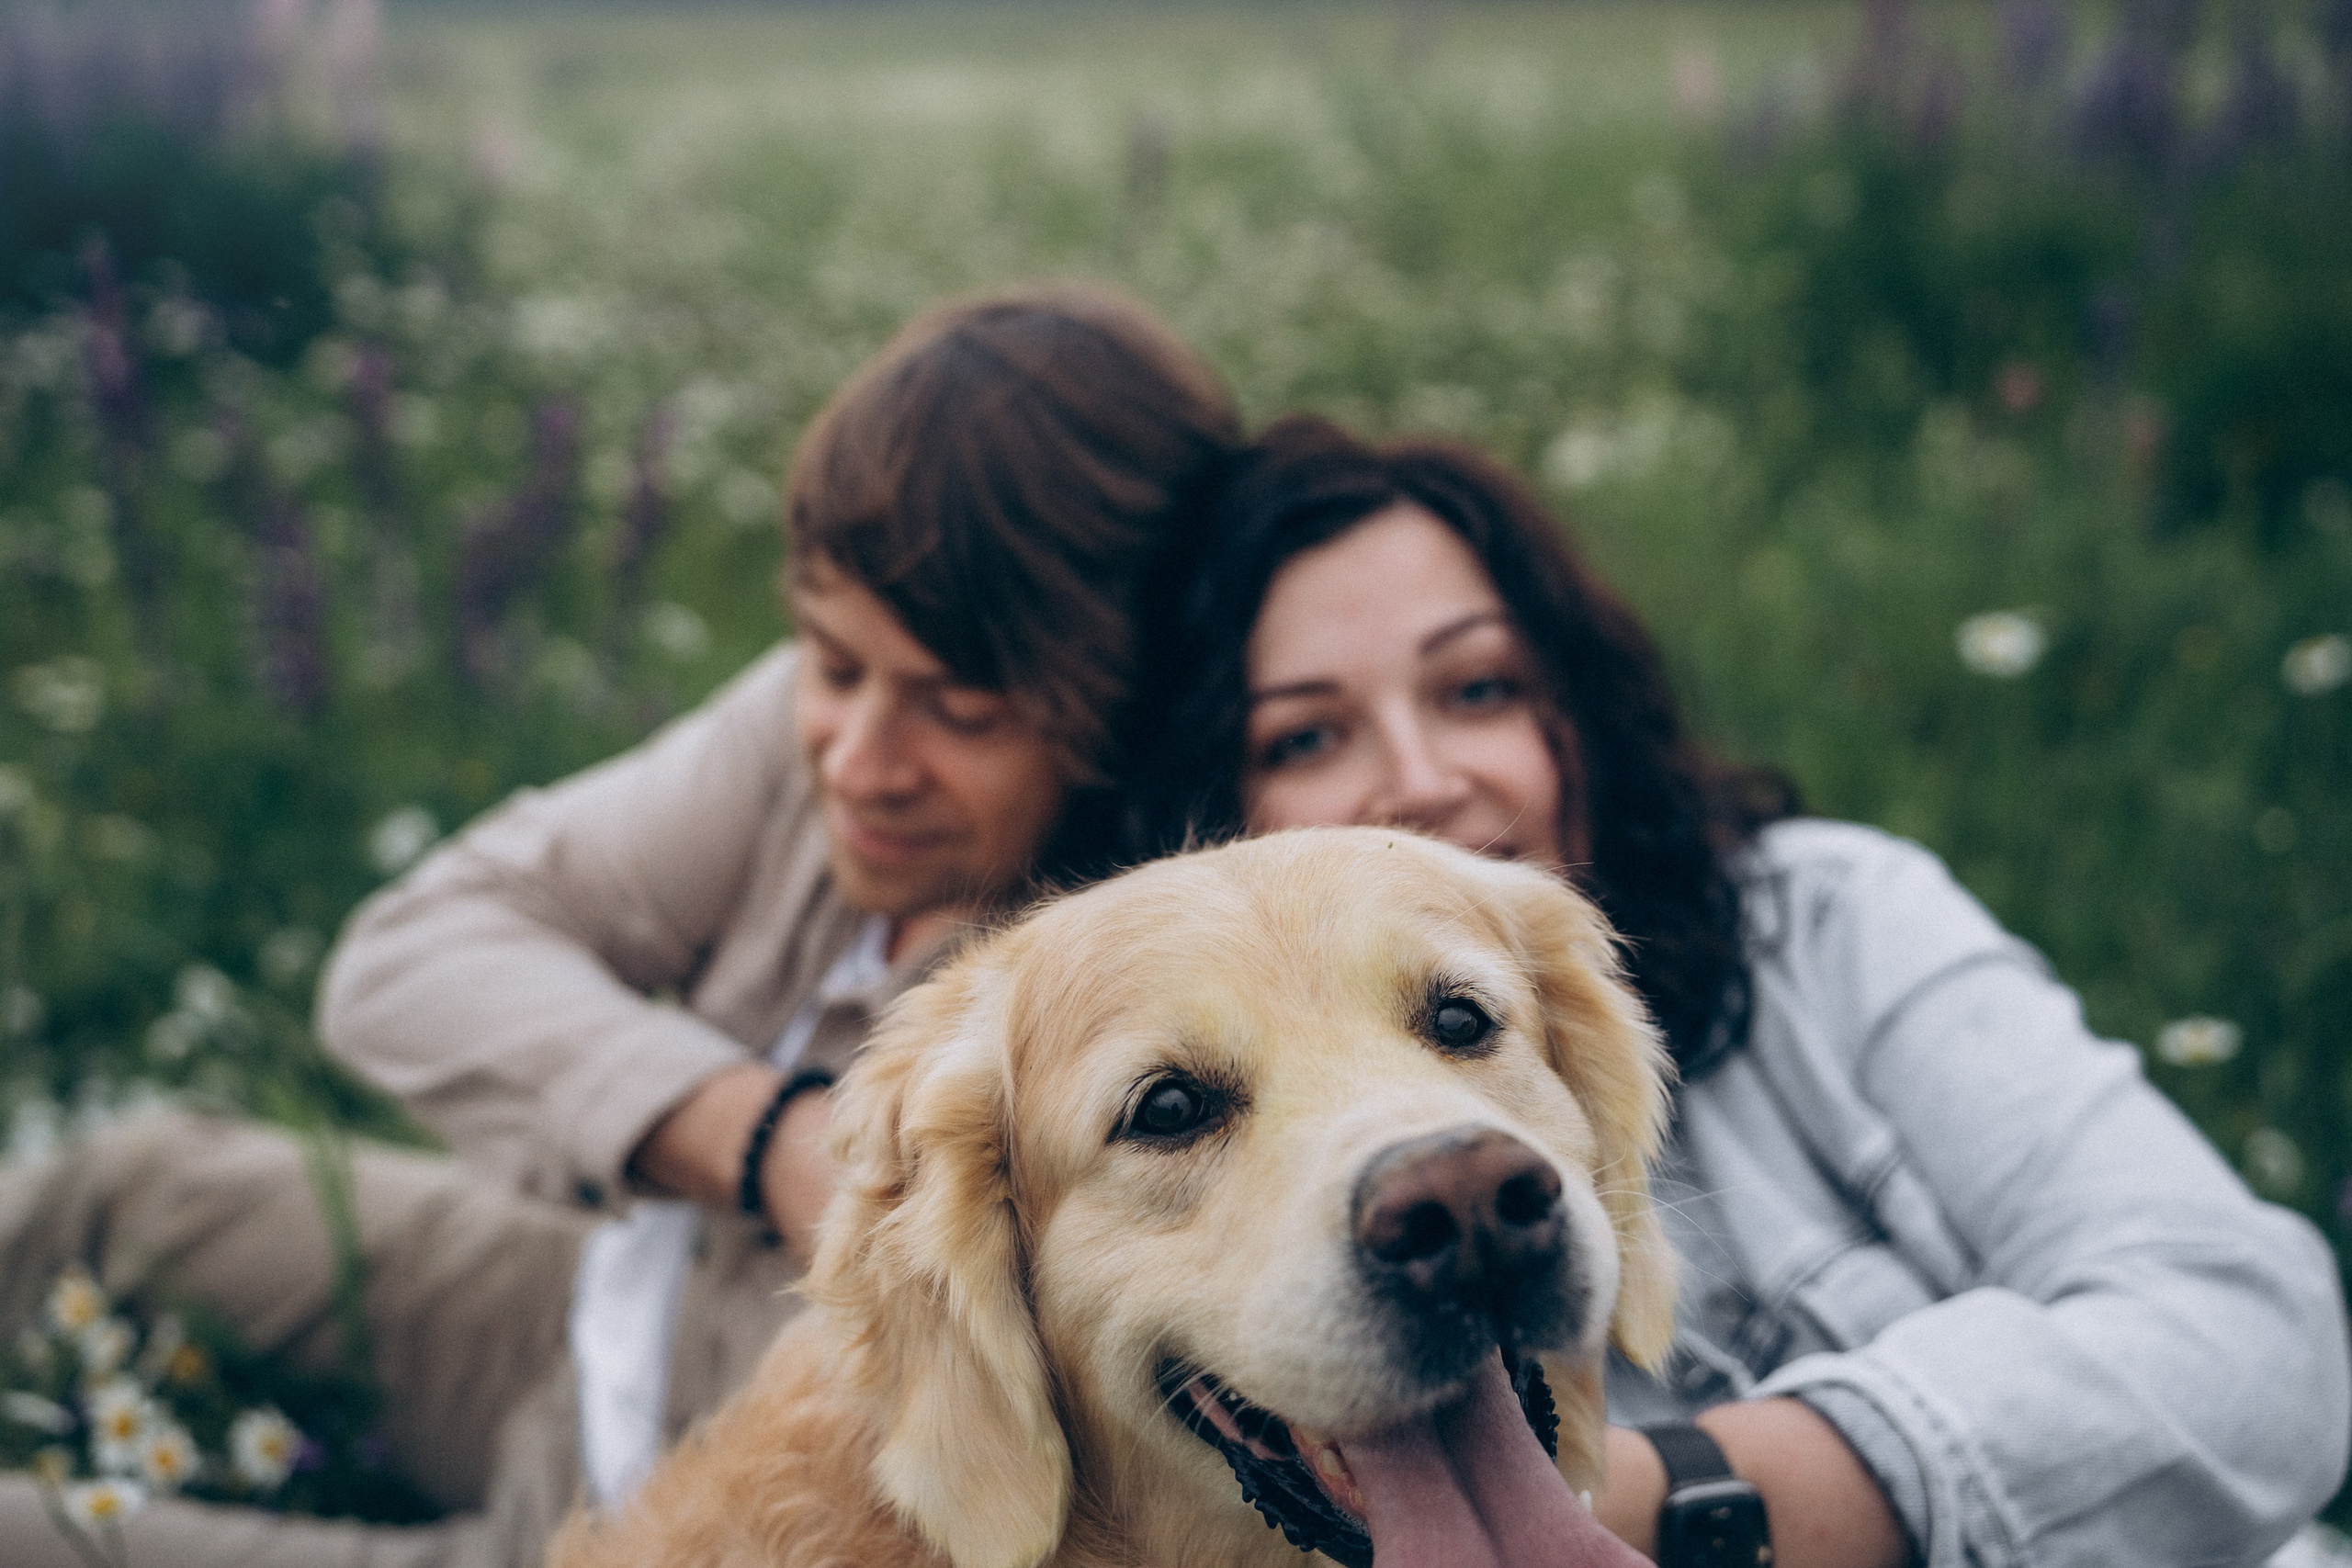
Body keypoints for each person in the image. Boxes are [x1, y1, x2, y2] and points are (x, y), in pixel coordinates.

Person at [0, 282, 1240, 1567]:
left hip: (634, 1513)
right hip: (586, 1298)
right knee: (125, 1189)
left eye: (961, 713)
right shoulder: (835, 732)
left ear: (1119, 720)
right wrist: (758, 1139)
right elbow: (414, 950)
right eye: (829, 662)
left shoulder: (1116, 1023)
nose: (862, 760)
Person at [1123, 412, 2352, 1568]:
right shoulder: (1206, 1310)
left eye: (1477, 688)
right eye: (1306, 739)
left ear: (1574, 712)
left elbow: (2251, 1339)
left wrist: (1665, 1503)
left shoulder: (1830, 919)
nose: (1420, 780)